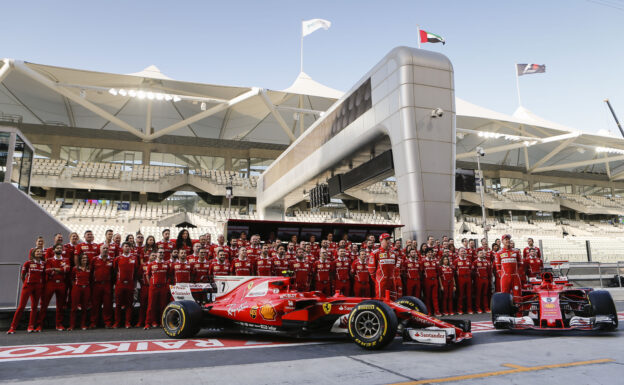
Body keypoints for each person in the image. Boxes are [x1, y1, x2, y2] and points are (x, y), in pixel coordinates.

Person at [8, 248, 45, 334]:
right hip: (28, 286)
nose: (39, 253)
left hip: (38, 286)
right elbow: (23, 275)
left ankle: (31, 326)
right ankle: (12, 327)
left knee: (34, 307)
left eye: (40, 252)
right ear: (33, 253)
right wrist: (26, 283)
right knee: (21, 307)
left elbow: (43, 276)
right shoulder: (28, 263)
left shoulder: (43, 264)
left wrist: (40, 285)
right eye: (37, 251)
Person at [38, 244, 70, 330]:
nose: (59, 249)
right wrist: (60, 269)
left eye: (61, 248)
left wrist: (54, 269)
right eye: (58, 248)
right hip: (51, 283)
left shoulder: (66, 260)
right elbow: (48, 271)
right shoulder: (49, 260)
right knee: (44, 304)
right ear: (54, 250)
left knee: (60, 305)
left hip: (61, 283)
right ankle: (39, 324)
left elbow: (67, 270)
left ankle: (59, 324)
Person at [113, 242, 139, 328]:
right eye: (126, 246)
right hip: (120, 284)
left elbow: (135, 272)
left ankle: (127, 322)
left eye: (129, 247)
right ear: (122, 248)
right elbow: (114, 270)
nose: (127, 248)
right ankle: (117, 322)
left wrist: (134, 284)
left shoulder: (134, 258)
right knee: (118, 304)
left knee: (129, 304)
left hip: (130, 284)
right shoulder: (118, 258)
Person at [90, 244, 114, 328]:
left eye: (107, 248)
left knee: (108, 304)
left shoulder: (112, 260)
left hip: (107, 284)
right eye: (103, 248)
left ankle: (107, 322)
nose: (105, 249)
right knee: (95, 304)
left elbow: (114, 273)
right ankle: (93, 322)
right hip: (97, 285)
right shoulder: (94, 259)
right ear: (100, 249)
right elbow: (91, 272)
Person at [367, 233, 397, 299]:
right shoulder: (375, 253)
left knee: (393, 299)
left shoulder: (393, 253)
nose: (389, 241)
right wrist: (378, 280)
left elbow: (395, 266)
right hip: (381, 281)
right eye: (386, 239)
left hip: (392, 280)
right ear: (381, 241)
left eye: (389, 239)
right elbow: (371, 270)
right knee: (381, 300)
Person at [146, 250, 170, 329]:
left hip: (163, 287)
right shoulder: (151, 264)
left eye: (163, 253)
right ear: (156, 254)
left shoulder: (166, 264)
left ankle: (162, 322)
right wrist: (151, 284)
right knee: (151, 306)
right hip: (153, 287)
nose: (161, 254)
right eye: (160, 252)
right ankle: (148, 323)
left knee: (163, 306)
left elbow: (169, 275)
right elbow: (148, 275)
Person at [495, 234, 522, 300]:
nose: (508, 241)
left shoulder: (516, 251)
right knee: (505, 295)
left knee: (517, 295)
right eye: (506, 239)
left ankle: (518, 309)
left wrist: (516, 273)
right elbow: (498, 267)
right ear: (502, 241)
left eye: (508, 239)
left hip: (515, 277)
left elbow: (520, 264)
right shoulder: (498, 253)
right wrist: (502, 275)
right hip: (505, 277)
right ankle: (505, 310)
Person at [69, 253, 91, 331]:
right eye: (83, 258)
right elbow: (71, 279)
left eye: (86, 258)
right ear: (80, 260)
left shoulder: (89, 268)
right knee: (74, 308)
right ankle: (72, 325)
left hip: (86, 288)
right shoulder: (75, 268)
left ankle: (83, 324)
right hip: (77, 288)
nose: (84, 260)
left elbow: (91, 279)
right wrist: (75, 286)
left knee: (84, 307)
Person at [136, 251, 155, 328]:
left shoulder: (157, 265)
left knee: (152, 305)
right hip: (145, 287)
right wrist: (143, 283)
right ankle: (141, 321)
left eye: (155, 255)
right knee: (143, 305)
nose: (154, 257)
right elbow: (138, 275)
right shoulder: (143, 265)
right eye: (152, 255)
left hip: (153, 287)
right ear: (149, 256)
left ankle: (152, 321)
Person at [421, 248, 441, 316]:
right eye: (428, 253)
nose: (430, 254)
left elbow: (438, 272)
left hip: (434, 280)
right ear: (426, 254)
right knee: (428, 297)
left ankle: (437, 311)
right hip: (427, 281)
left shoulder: (435, 261)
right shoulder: (423, 261)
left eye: (431, 252)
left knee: (435, 297)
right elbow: (421, 271)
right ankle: (428, 311)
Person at [454, 247, 473, 315]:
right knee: (460, 295)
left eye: (464, 251)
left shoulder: (468, 260)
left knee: (469, 295)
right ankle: (460, 309)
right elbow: (454, 271)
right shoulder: (456, 261)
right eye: (461, 251)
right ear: (458, 253)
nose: (463, 253)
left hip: (468, 278)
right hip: (460, 279)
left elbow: (471, 269)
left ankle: (469, 309)